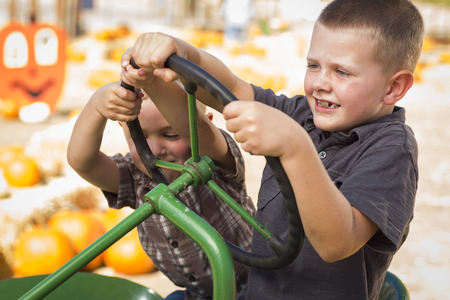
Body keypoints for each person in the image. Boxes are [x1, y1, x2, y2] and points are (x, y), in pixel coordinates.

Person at [119, 0, 423, 299]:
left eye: (342, 72)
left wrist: (295, 147)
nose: (320, 83)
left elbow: (337, 244)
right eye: (313, 65)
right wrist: (175, 60)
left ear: (393, 88)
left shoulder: (392, 149)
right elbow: (233, 89)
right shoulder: (302, 114)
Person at [67, 82, 256, 300]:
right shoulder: (135, 177)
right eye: (142, 137)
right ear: (123, 128)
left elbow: (194, 124)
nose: (155, 150)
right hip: (200, 295)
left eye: (172, 135)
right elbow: (82, 162)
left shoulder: (214, 162)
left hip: (259, 285)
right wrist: (96, 106)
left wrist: (152, 79)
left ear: (206, 125)